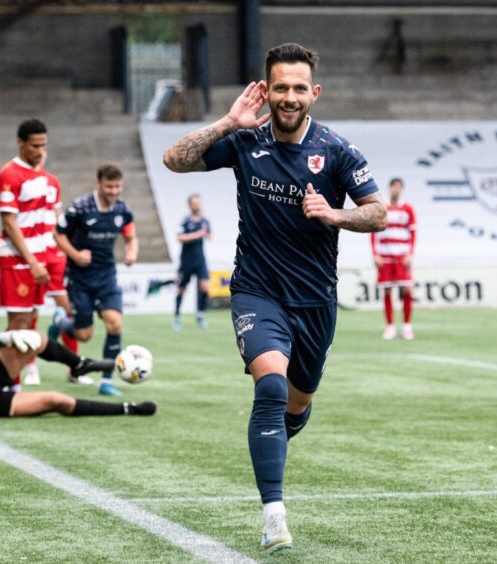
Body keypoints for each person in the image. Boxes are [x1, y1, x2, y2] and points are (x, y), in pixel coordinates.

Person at [162, 43, 387, 553]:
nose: (289, 97)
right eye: (280, 87)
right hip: (257, 292)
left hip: (314, 302)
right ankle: (274, 515)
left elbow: (378, 213)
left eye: (299, 88)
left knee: (297, 403)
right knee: (270, 390)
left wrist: (335, 215)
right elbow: (174, 159)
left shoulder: (337, 150)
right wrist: (226, 123)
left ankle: (274, 441)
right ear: (266, 89)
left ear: (315, 93)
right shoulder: (245, 141)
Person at [0, 319, 156, 425]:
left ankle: (78, 363)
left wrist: (7, 337)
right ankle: (130, 409)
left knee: (33, 338)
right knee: (57, 401)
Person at [52, 164, 139, 397]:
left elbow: (131, 236)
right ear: (98, 183)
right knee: (84, 335)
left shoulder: (122, 209)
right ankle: (60, 321)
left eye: (117, 186)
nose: (113, 191)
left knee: (115, 323)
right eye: (109, 186)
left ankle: (107, 381)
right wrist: (75, 254)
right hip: (79, 278)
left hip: (106, 276)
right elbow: (58, 234)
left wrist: (131, 252)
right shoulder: (80, 208)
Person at [0, 118, 68, 387]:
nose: (39, 151)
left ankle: (20, 374)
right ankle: (3, 379)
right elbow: (9, 222)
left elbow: (54, 220)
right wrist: (33, 262)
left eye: (43, 146)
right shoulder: (10, 174)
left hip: (45, 257)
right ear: (20, 143)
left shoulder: (48, 179)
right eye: (34, 146)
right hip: (18, 259)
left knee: (32, 319)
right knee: (17, 323)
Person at [371, 177, 417, 340]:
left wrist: (410, 253)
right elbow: (374, 232)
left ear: (401, 189)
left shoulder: (408, 209)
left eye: (399, 187)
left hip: (402, 257)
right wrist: (375, 254)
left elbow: (412, 233)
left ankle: (406, 326)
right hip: (386, 256)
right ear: (390, 188)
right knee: (387, 290)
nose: (396, 190)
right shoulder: (382, 208)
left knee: (406, 289)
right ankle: (390, 326)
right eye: (393, 187)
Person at [172, 194, 212, 331]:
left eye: (198, 203)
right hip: (186, 261)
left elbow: (209, 236)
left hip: (200, 260)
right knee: (182, 289)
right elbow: (180, 237)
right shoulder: (185, 221)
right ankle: (177, 317)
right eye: (194, 203)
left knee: (205, 287)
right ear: (189, 205)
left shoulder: (205, 221)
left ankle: (200, 314)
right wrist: (197, 234)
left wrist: (206, 234)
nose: (196, 205)